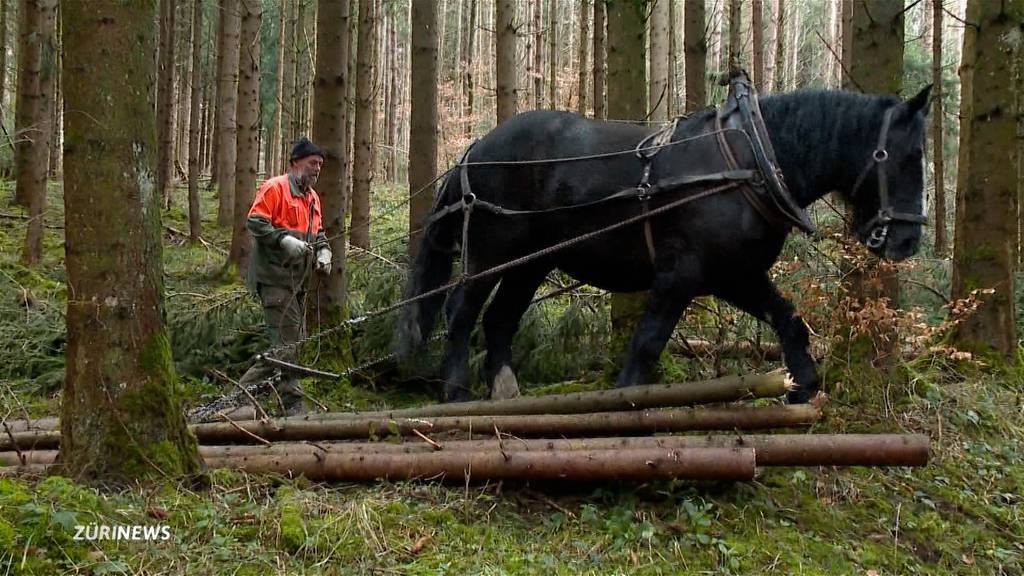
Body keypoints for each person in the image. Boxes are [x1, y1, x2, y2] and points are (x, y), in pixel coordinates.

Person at [234, 137, 332, 415]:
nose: (317, 169)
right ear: (295, 163)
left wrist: (324, 252)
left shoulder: (312, 198)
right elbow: (254, 222)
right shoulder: (275, 188)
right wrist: (282, 240)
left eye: (320, 165)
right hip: (274, 279)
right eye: (312, 163)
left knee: (290, 345)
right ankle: (279, 403)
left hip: (296, 282)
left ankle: (263, 401)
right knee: (287, 346)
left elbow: (318, 233)